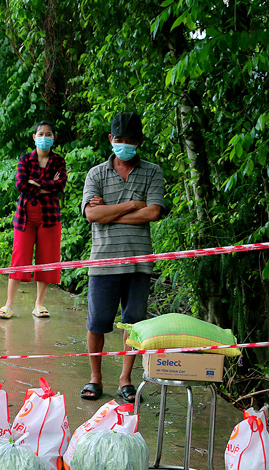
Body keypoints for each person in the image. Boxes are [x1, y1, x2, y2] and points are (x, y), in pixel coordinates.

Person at [80, 112, 167, 403]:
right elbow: (91, 215)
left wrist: (109, 213)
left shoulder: (152, 172)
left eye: (130, 140)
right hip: (103, 261)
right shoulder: (96, 174)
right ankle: (95, 378)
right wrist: (132, 205)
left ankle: (125, 380)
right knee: (97, 323)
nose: (124, 145)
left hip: (139, 262)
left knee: (133, 323)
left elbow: (152, 212)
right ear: (110, 139)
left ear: (140, 141)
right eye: (119, 139)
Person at [0, 121, 67, 320]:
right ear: (34, 137)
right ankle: (8, 305)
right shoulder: (25, 159)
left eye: (48, 134)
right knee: (19, 258)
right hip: (25, 217)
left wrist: (35, 183)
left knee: (47, 259)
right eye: (41, 134)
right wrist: (47, 185)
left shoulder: (58, 161)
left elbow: (60, 185)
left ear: (54, 138)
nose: (44, 137)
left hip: (49, 216)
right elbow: (20, 184)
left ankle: (39, 305)